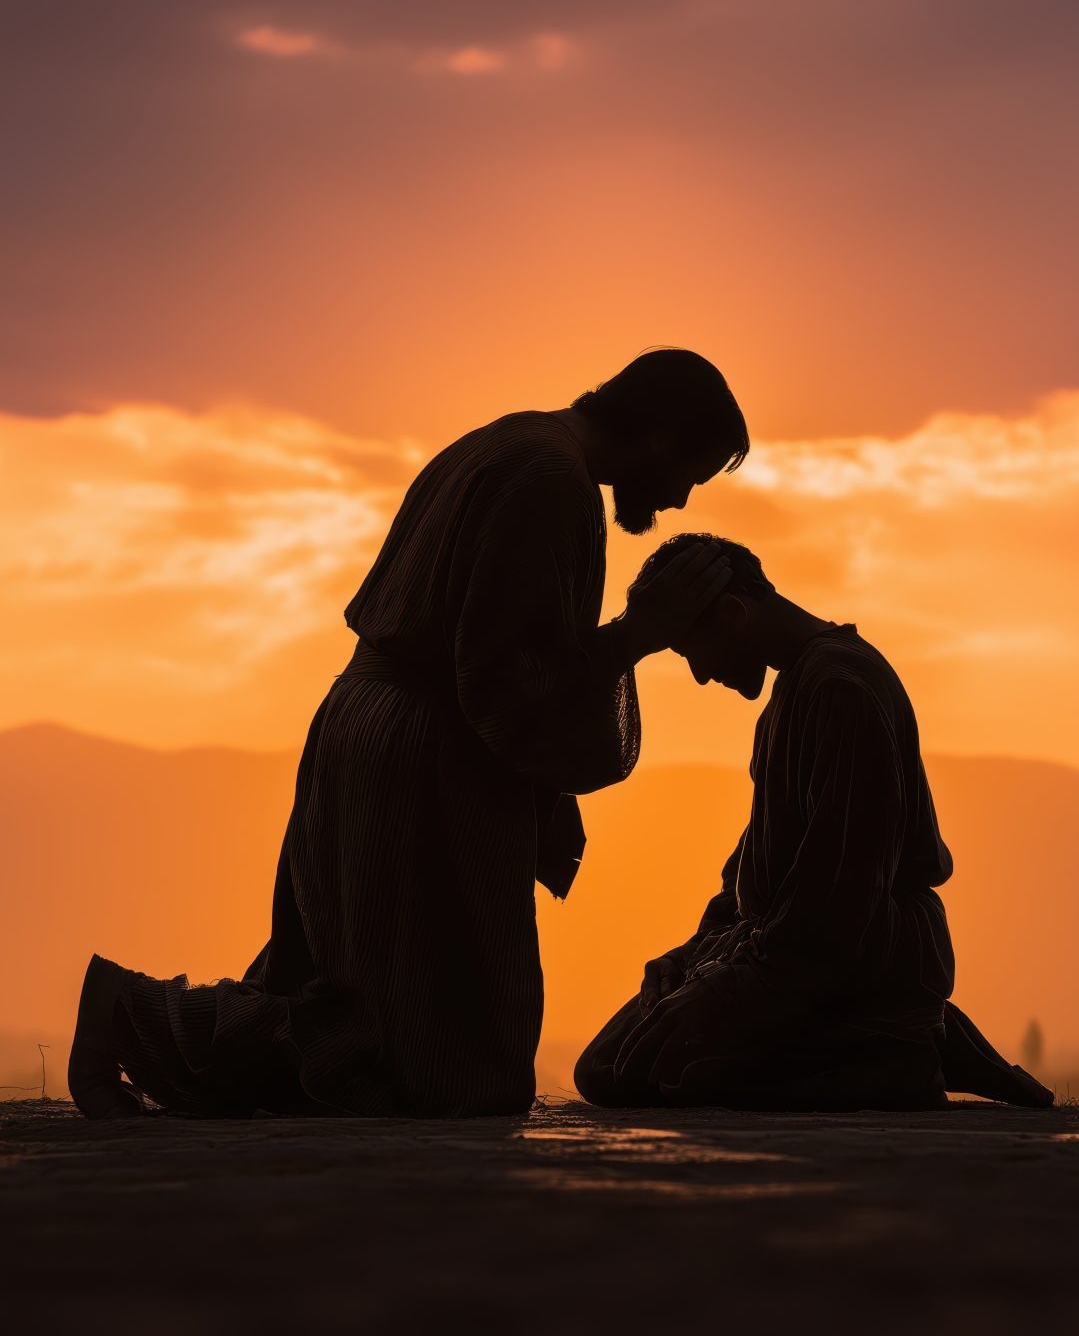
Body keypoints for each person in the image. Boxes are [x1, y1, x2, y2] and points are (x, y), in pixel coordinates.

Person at [69, 349, 747, 1118]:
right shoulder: (548, 479)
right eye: (692, 470)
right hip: (426, 754)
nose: (682, 497)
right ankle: (126, 1012)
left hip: (374, 725)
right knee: (447, 1066)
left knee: (367, 1009)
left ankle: (134, 1019)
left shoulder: (504, 443)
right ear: (659, 435)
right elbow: (502, 679)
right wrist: (635, 633)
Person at [573, 534, 1052, 1110]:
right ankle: (896, 1041)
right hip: (781, 949)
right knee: (604, 1066)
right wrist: (687, 959)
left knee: (666, 1077)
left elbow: (839, 896)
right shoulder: (791, 695)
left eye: (692, 651)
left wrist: (729, 984)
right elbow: (755, 872)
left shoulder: (841, 689)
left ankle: (904, 1049)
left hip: (850, 956)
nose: (700, 676)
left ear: (733, 613)